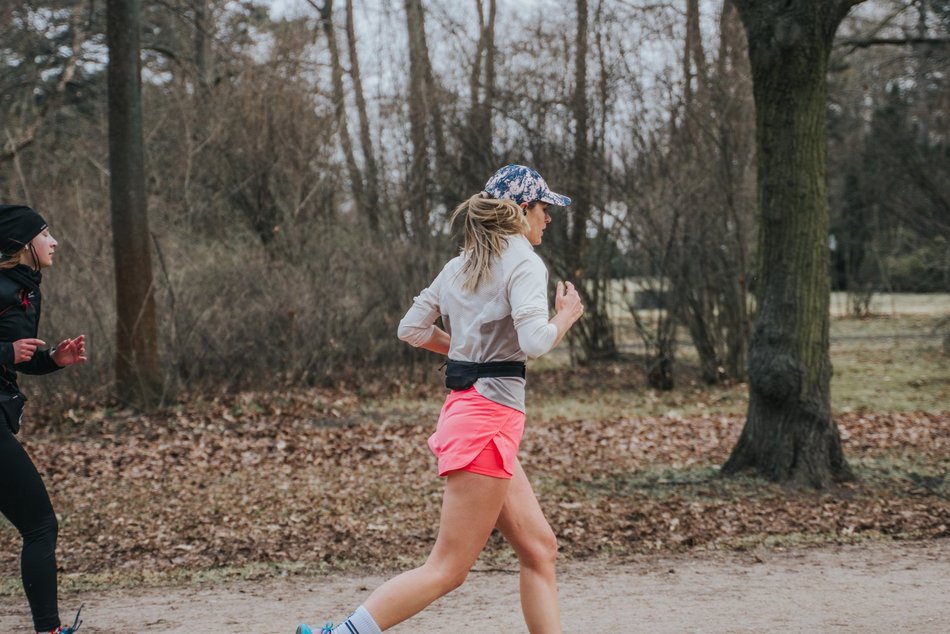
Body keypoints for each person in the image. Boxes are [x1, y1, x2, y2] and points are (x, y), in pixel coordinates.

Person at [296, 165, 584, 634]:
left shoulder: (461, 264)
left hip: (473, 416)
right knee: (448, 568)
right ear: (521, 210)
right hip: (487, 424)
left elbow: (409, 328)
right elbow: (534, 341)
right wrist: (566, 315)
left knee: (539, 549)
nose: (548, 218)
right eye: (544, 208)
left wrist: (465, 351)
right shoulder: (525, 263)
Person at [0, 204, 87, 634]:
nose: (54, 242)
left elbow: (19, 356)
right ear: (24, 244)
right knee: (40, 526)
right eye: (46, 234)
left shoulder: (24, 288)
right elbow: (6, 352)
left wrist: (52, 358)